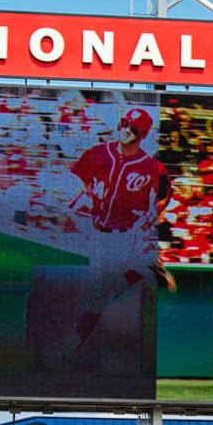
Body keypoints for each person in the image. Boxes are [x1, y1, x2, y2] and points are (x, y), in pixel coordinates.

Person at [67, 107, 167, 361]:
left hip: (122, 235)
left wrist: (153, 213)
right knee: (104, 293)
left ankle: (72, 346)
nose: (126, 130)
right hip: (94, 230)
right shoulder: (99, 152)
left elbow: (166, 193)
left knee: (98, 296)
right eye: (124, 124)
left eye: (132, 128)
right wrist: (83, 191)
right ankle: (144, 268)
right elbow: (77, 175)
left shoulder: (149, 165)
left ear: (141, 134)